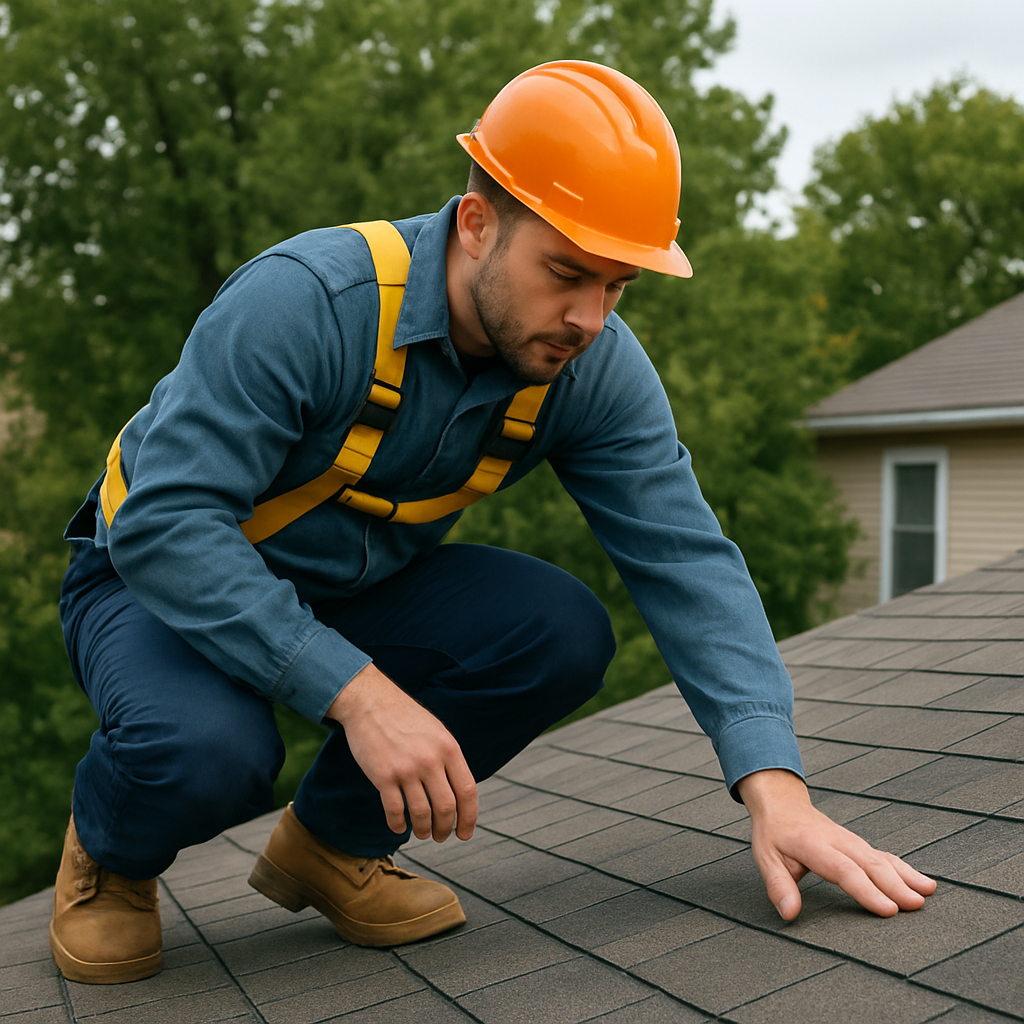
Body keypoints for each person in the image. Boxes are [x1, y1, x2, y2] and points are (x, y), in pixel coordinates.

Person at [51, 60, 935, 986]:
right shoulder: (307, 303)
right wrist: (360, 694)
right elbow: (168, 523)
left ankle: (330, 843)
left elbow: (689, 562)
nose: (589, 318)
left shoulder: (588, 364)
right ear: (476, 225)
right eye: (566, 273)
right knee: (209, 751)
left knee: (556, 631)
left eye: (618, 286)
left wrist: (777, 788)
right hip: (154, 580)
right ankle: (109, 855)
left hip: (354, 589)